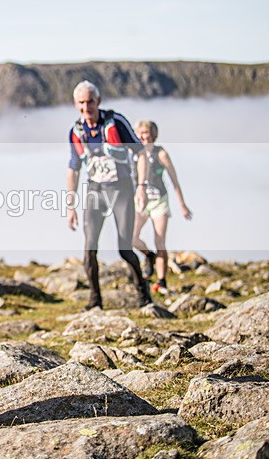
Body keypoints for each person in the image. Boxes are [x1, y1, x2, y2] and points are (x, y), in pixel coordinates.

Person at [65, 80, 152, 310]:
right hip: (95, 190)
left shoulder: (116, 122)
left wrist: (141, 186)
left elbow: (141, 153)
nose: (86, 107)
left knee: (125, 248)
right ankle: (95, 301)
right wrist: (70, 205)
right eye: (81, 103)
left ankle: (144, 296)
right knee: (89, 249)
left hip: (121, 189)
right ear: (75, 104)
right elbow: (73, 168)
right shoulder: (76, 132)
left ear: (99, 101)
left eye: (90, 101)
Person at [132, 120, 193, 294]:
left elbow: (175, 181)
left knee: (159, 240)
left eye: (147, 132)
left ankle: (161, 280)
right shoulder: (134, 153)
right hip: (140, 201)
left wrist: (182, 205)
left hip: (159, 200)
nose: (144, 136)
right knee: (131, 238)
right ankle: (148, 256)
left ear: (154, 134)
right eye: (141, 133)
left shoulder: (161, 154)